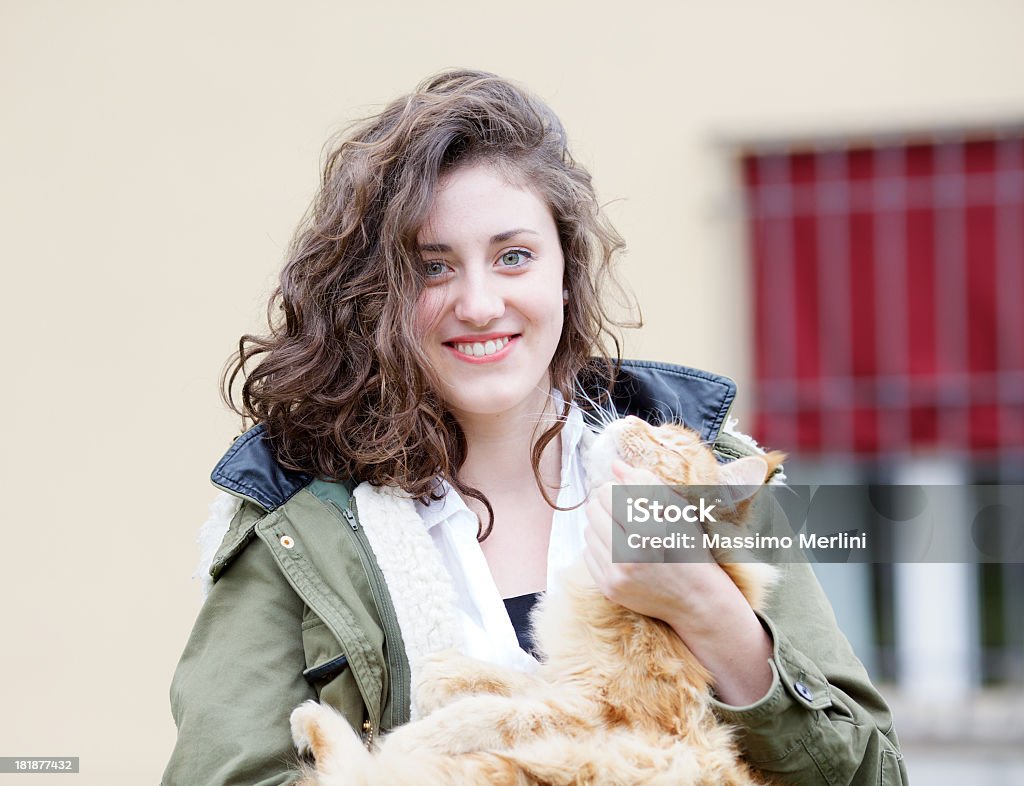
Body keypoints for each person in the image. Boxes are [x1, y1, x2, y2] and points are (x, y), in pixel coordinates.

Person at [162, 69, 906, 785]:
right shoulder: (296, 514)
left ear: (563, 268)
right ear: (375, 294)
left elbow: (872, 774)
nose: (481, 303)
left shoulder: (703, 468)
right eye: (432, 268)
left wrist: (706, 607)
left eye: (513, 256)